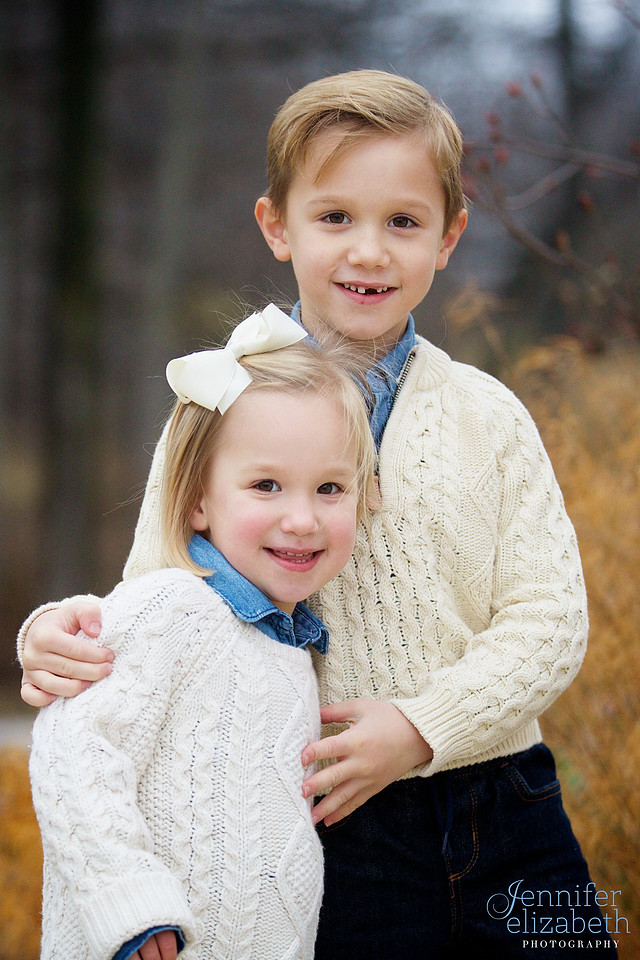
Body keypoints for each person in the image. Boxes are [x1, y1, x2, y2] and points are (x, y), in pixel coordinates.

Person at [20, 71, 617, 957]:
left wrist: (420, 729)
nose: (368, 252)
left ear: (449, 237)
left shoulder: (487, 416)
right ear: (276, 226)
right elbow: (157, 590)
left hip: (509, 805)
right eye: (335, 217)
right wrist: (53, 633)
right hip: (329, 818)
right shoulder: (220, 396)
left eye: (403, 222)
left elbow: (552, 620)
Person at [28, 304, 377, 960]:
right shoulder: (173, 609)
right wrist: (130, 906)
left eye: (330, 488)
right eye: (266, 485)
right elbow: (72, 747)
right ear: (198, 500)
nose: (302, 518)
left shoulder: (290, 645)